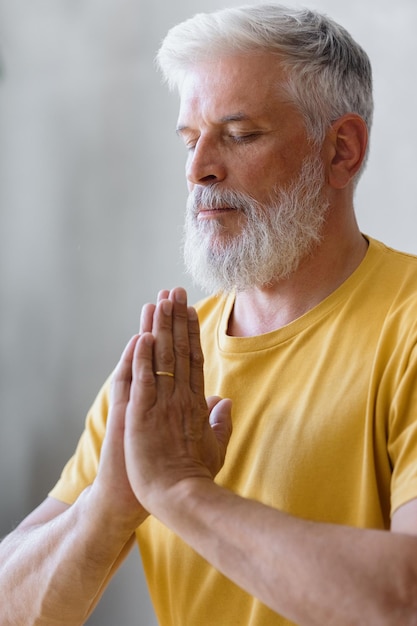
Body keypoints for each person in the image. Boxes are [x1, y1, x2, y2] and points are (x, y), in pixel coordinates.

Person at [2, 3, 417, 625]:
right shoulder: (167, 366)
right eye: (190, 140)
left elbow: (405, 597)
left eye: (240, 134)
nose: (199, 171)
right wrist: (110, 503)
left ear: (342, 151)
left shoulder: (406, 324)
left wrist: (179, 493)